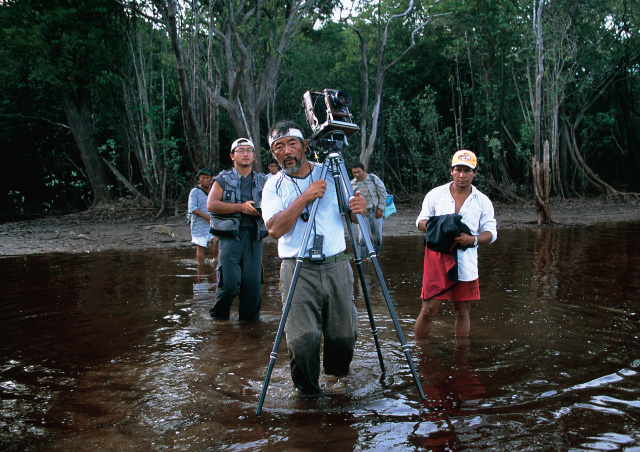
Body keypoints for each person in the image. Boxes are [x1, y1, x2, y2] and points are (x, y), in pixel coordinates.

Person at [261, 120, 367, 396]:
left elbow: (352, 213)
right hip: (297, 267)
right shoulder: (273, 186)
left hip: (336, 264)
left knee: (344, 336)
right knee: (302, 341)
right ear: (273, 153)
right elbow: (274, 229)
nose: (286, 151)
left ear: (305, 146)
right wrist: (305, 197)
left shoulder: (331, 172)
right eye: (278, 147)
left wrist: (359, 207)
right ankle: (307, 396)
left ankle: (338, 384)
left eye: (292, 144)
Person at [415, 150, 497, 338]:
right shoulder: (435, 194)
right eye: (458, 170)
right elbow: (420, 222)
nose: (462, 175)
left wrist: (473, 239)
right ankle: (420, 355)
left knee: (462, 311)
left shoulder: (483, 201)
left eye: (467, 170)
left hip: (466, 260)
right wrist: (441, 226)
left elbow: (491, 233)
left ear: (474, 173)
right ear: (451, 171)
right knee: (429, 309)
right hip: (436, 258)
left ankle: (461, 360)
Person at [206, 138, 268, 321]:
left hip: (254, 238)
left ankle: (249, 329)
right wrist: (240, 207)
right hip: (230, 238)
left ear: (254, 156)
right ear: (232, 156)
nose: (246, 153)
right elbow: (211, 205)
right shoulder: (222, 179)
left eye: (249, 150)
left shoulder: (263, 180)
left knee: (253, 287)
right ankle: (218, 321)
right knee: (229, 284)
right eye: (241, 150)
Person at [350, 162, 387, 257]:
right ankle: (363, 258)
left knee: (378, 237)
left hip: (375, 212)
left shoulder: (373, 179)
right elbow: (350, 198)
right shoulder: (352, 184)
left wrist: (380, 209)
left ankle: (376, 255)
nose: (357, 175)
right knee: (362, 238)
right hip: (362, 214)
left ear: (364, 170)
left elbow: (382, 193)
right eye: (354, 173)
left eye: (358, 172)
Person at [188, 168, 219, 266]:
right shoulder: (194, 192)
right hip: (199, 223)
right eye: (203, 178)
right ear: (199, 179)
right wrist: (206, 216)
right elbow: (192, 208)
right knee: (200, 246)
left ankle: (215, 261)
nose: (205, 180)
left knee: (217, 241)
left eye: (207, 178)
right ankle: (200, 268)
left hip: (213, 222)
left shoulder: (214, 190)